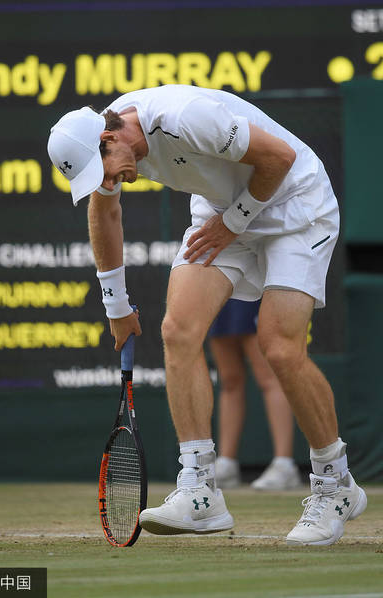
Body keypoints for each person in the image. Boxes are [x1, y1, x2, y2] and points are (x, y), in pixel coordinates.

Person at [47, 84, 367, 545]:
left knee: (278, 345)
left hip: (296, 205)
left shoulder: (185, 117)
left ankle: (336, 485)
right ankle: (200, 495)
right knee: (178, 330)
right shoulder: (110, 147)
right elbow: (105, 214)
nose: (108, 181)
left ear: (109, 138)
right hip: (222, 213)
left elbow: (279, 158)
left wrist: (232, 224)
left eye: (104, 169)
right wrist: (116, 306)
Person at [209, 298, 302, 491]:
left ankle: (284, 465)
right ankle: (226, 464)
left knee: (269, 378)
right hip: (219, 289)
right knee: (229, 380)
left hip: (255, 287)